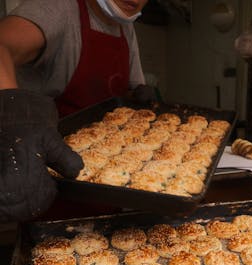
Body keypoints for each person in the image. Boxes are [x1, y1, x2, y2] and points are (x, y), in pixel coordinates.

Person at [0, 0, 154, 222]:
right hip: (53, 189)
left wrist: (136, 98)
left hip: (110, 190)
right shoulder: (58, 9)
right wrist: (13, 117)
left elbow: (121, 95)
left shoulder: (123, 24)